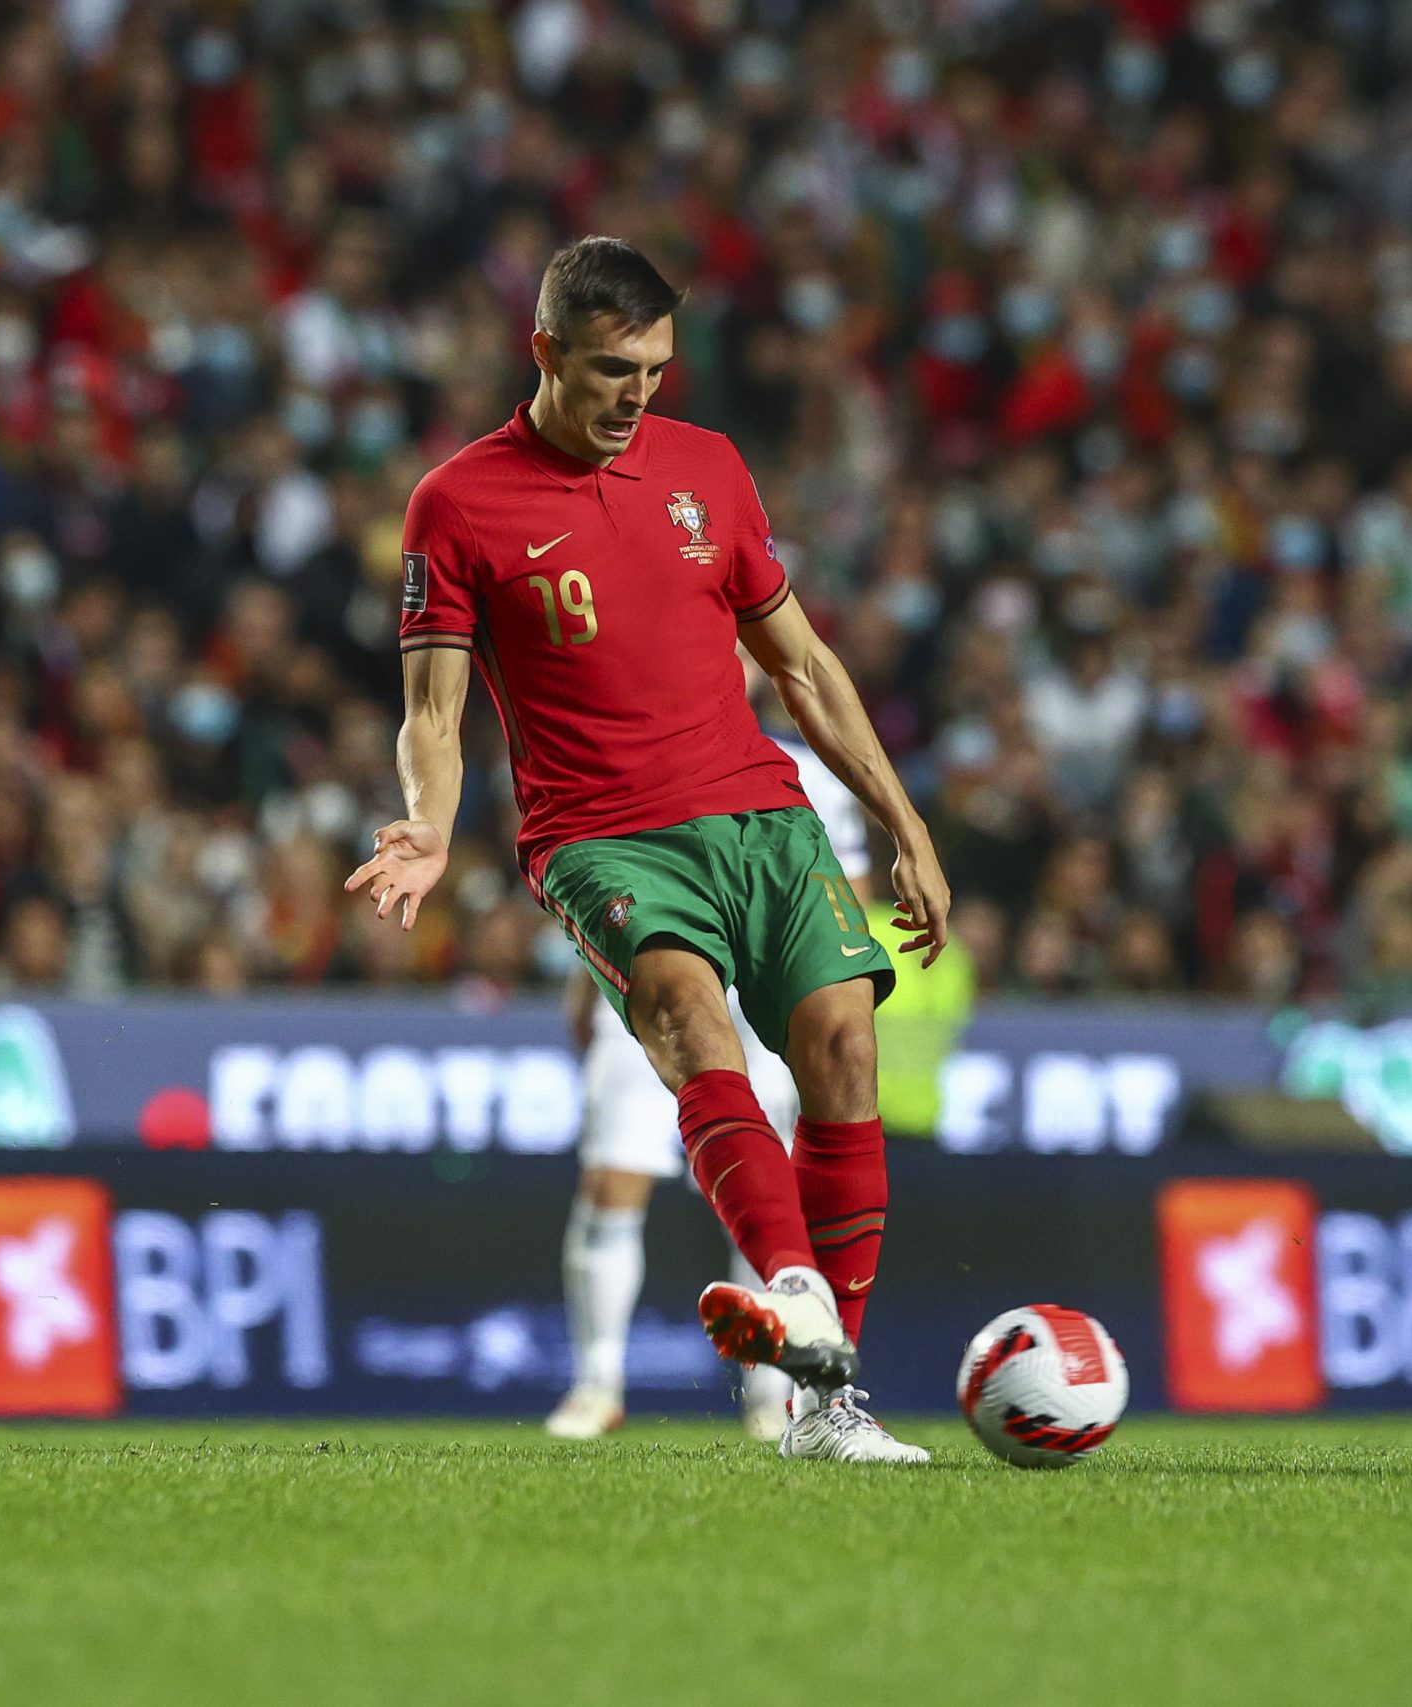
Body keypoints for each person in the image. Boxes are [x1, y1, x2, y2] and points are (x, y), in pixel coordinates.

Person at [345, 237, 951, 1465]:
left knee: (842, 1042)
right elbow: (433, 714)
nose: (638, 397)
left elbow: (802, 667)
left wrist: (906, 824)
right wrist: (426, 821)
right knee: (687, 1019)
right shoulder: (458, 503)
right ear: (545, 352)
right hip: (604, 834)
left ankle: (827, 1407)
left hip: (758, 814)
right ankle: (791, 1289)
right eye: (613, 370)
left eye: (657, 370)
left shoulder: (708, 471)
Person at [547, 717, 873, 1443]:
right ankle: (596, 1383)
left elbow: (845, 890)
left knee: (766, 1192)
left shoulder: (807, 768)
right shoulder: (632, 744)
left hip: (756, 998)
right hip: (652, 976)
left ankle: (770, 1395)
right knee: (611, 1177)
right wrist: (585, 987)